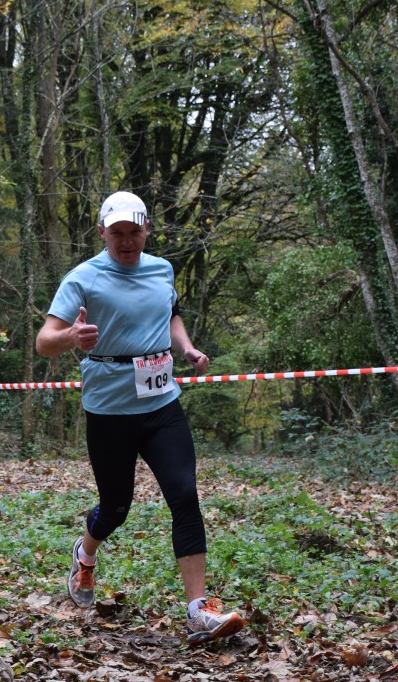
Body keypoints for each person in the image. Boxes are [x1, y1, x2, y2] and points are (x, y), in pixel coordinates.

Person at [36, 191, 245, 645]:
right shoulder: (83, 278)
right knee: (116, 507)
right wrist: (71, 336)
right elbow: (43, 341)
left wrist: (186, 347)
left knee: (184, 495)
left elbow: (171, 314)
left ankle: (197, 611)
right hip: (109, 410)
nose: (127, 241)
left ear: (147, 228)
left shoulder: (161, 269)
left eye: (134, 231)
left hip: (162, 405)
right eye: (117, 233)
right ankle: (85, 553)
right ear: (102, 232)